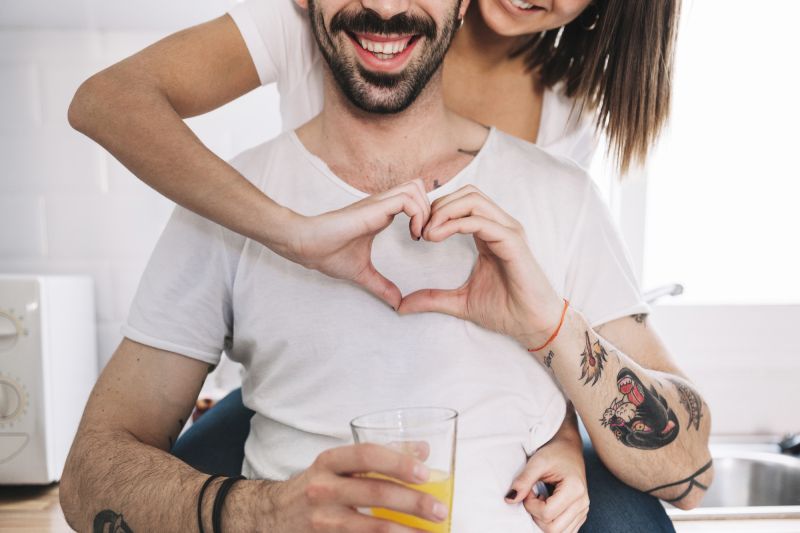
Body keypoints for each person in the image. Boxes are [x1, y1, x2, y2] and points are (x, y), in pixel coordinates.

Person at [60, 0, 711, 531]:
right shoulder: (228, 206)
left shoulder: (560, 189)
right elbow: (91, 474)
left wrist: (547, 329)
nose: (386, 5)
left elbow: (692, 471)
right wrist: (261, 512)